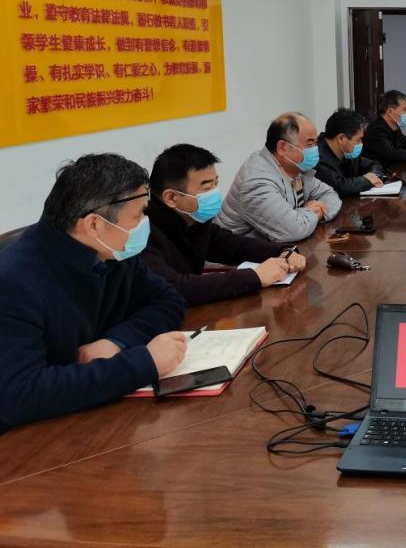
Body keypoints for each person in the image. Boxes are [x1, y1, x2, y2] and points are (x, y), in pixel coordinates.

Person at [0, 154, 186, 430]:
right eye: (138, 215)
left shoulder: (111, 250)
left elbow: (167, 299)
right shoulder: (13, 282)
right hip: (33, 438)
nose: (145, 223)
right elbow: (19, 394)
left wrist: (117, 342)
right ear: (94, 225)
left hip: (97, 412)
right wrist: (143, 363)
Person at [142, 144, 307, 307]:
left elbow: (233, 246)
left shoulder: (193, 219)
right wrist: (255, 277)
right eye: (207, 187)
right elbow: (176, 288)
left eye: (216, 183)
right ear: (171, 198)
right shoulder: (142, 233)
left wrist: (282, 251)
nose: (215, 192)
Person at [217, 112, 341, 242]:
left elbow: (330, 195)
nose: (316, 150)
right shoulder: (256, 181)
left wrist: (317, 212)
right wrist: (309, 212)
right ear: (282, 147)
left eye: (316, 143)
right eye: (310, 144)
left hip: (275, 249)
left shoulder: (297, 169)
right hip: (236, 254)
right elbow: (293, 230)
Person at [315, 108, 387, 197]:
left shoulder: (348, 153)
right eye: (358, 140)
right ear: (341, 138)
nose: (361, 144)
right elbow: (339, 187)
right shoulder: (318, 157)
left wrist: (373, 175)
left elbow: (375, 165)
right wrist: (366, 180)